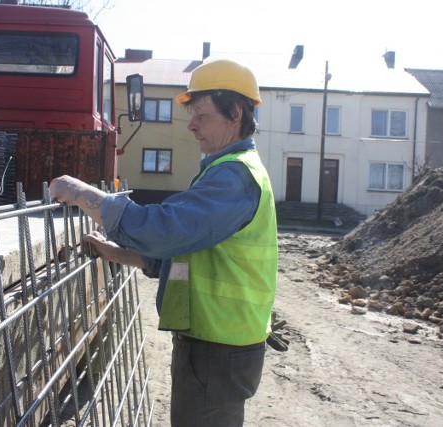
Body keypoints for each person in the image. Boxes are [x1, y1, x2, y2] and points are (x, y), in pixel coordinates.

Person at [49, 59, 278, 427]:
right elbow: (187, 251)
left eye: (201, 115)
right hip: (218, 340)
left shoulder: (234, 175)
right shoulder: (227, 170)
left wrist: (84, 195)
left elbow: (166, 231)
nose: (191, 125)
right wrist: (117, 252)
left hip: (218, 345)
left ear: (234, 113)